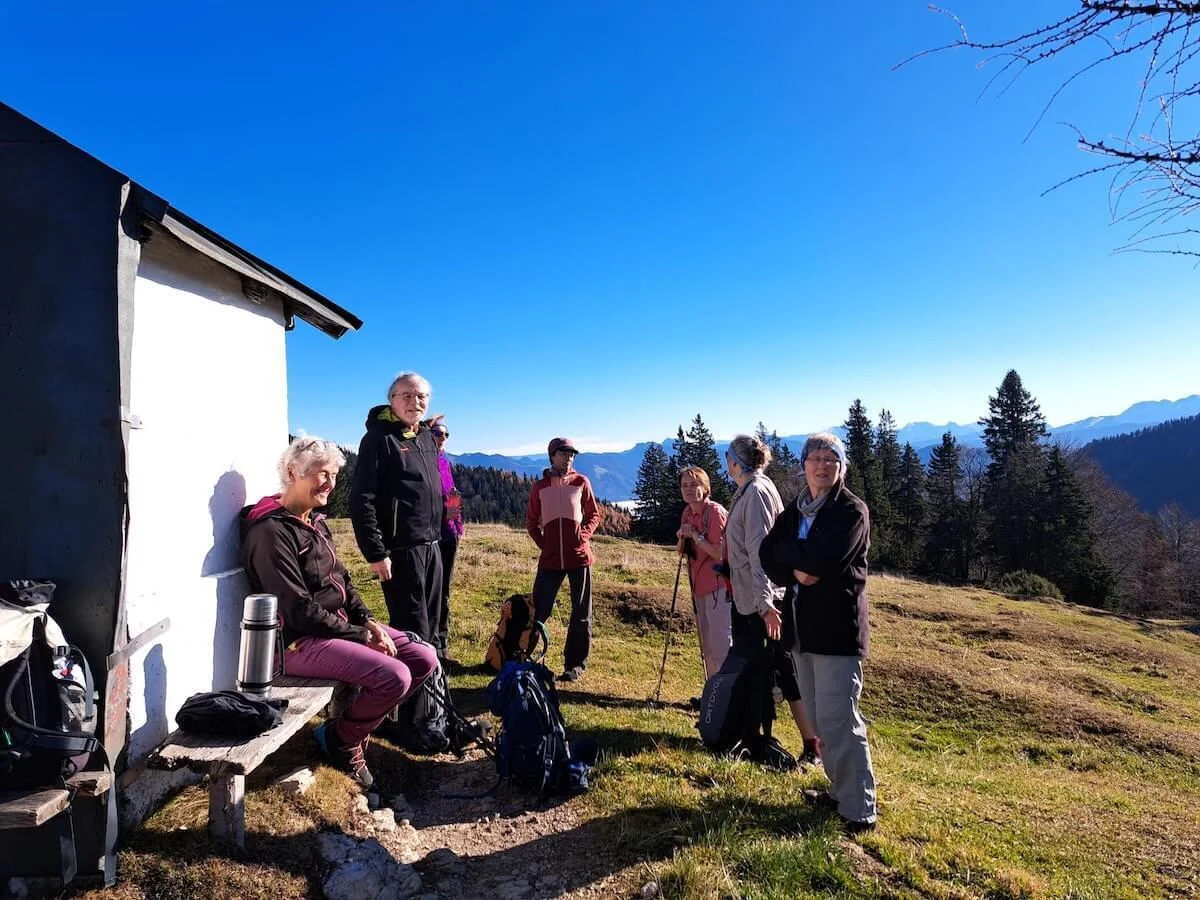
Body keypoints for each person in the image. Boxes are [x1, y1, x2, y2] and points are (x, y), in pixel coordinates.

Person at [240, 436, 438, 790]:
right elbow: (298, 611)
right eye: (321, 474)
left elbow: (342, 580)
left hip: (336, 629)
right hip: (297, 643)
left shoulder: (314, 521)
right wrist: (363, 637)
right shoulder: (271, 533)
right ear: (292, 472)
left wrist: (367, 621)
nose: (330, 483)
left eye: (333, 474)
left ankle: (347, 729)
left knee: (424, 657)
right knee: (396, 677)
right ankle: (342, 740)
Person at [759, 432, 877, 831]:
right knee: (821, 720)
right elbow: (768, 555)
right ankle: (839, 793)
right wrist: (797, 566)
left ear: (841, 466)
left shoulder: (851, 511)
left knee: (840, 719)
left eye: (832, 458)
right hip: (800, 632)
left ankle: (860, 811)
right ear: (804, 464)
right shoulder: (795, 510)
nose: (823, 465)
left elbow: (823, 562)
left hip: (835, 634)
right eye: (816, 458)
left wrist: (795, 561)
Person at [724, 433, 820, 765]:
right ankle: (758, 739)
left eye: (727, 457)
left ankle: (810, 746)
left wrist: (766, 605)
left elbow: (761, 552)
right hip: (751, 598)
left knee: (781, 672)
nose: (726, 463)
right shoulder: (750, 490)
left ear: (735, 461)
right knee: (768, 671)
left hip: (761, 603)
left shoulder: (756, 493)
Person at [349, 373, 446, 655]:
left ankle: (435, 696)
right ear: (392, 401)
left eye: (421, 396)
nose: (414, 401)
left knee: (434, 623)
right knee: (412, 629)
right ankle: (411, 696)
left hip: (433, 546)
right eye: (406, 395)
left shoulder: (426, 436)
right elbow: (361, 498)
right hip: (401, 551)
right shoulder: (378, 439)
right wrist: (376, 553)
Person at [525, 437, 602, 682]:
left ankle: (575, 666)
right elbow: (531, 523)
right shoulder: (540, 487)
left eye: (572, 454)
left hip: (579, 558)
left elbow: (594, 515)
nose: (569, 458)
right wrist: (544, 545)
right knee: (539, 610)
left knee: (581, 613)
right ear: (552, 456)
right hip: (550, 560)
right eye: (563, 453)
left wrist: (583, 537)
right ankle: (524, 658)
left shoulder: (581, 482)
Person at [675, 466, 731, 683]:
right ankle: (713, 693)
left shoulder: (715, 513)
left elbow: (720, 553)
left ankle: (728, 694)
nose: (688, 490)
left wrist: (696, 536)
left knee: (721, 644)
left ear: (705, 487)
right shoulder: (688, 512)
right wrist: (682, 537)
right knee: (706, 643)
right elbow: (682, 550)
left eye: (694, 484)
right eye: (684, 485)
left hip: (718, 587)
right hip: (698, 586)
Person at [428, 415, 464, 667]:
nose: (442, 438)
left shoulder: (443, 463)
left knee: (445, 593)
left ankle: (441, 647)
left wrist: (457, 524)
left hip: (449, 534)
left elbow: (450, 497)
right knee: (431, 592)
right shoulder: (424, 463)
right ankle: (429, 648)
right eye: (437, 433)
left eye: (445, 434)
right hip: (431, 536)